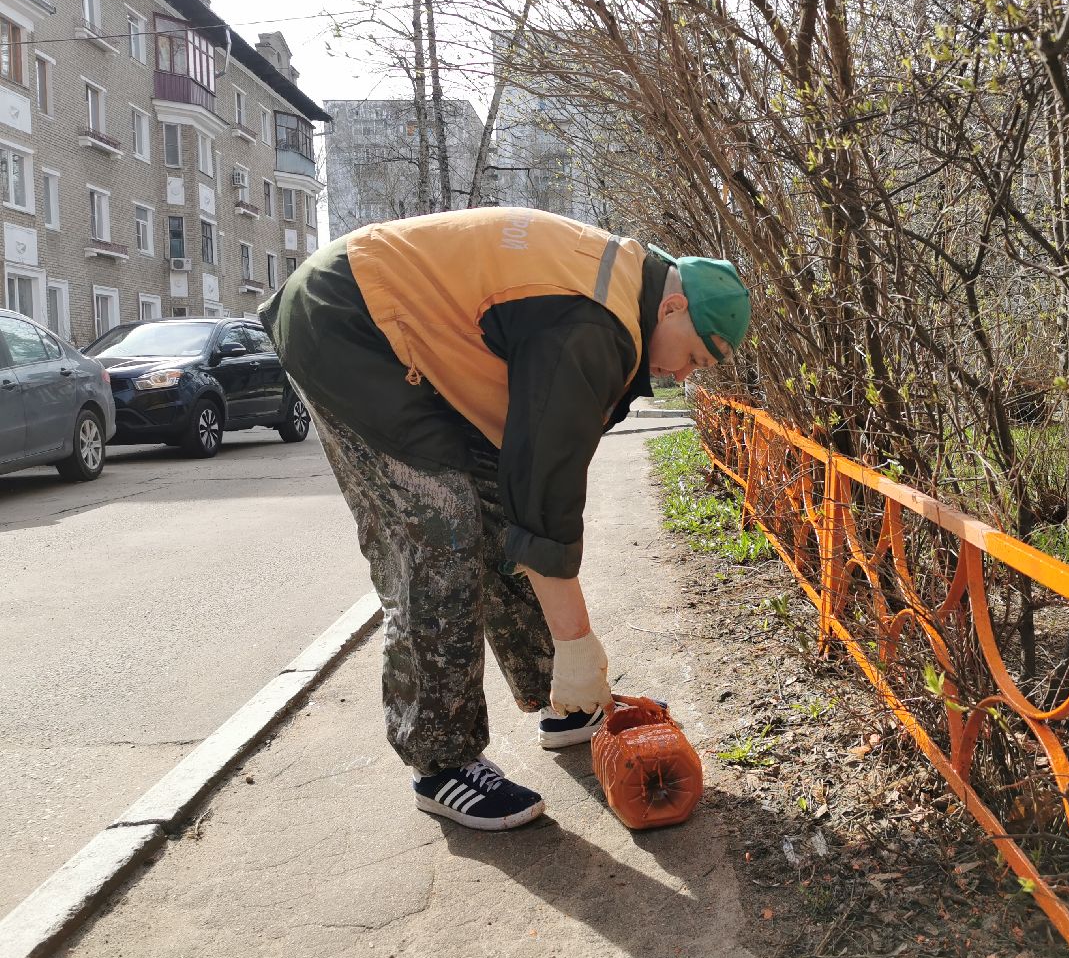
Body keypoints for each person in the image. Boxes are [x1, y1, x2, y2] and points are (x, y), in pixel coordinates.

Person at [259, 207, 751, 831]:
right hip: (348, 324)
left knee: (496, 502)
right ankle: (441, 764)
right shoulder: (595, 323)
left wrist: (574, 664)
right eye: (695, 359)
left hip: (391, 324)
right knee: (441, 533)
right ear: (675, 308)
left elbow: (529, 481)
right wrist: (580, 645)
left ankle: (562, 696)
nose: (681, 375)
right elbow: (547, 492)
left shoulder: (620, 295)